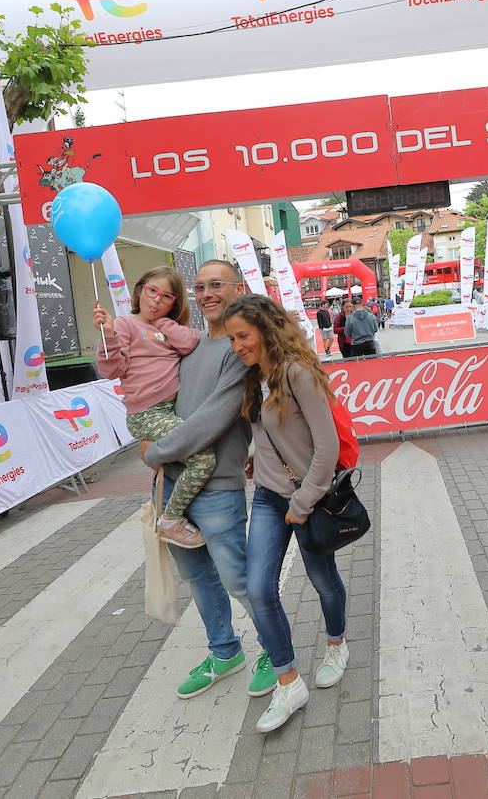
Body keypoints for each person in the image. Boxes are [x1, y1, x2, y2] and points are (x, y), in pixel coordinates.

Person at [139, 261, 276, 700]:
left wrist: (155, 452)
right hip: (174, 487)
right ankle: (224, 652)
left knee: (238, 579)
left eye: (216, 284)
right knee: (199, 578)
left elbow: (213, 418)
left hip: (217, 485)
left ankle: (276, 650)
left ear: (238, 288)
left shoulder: (240, 350)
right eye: (199, 287)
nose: (206, 293)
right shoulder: (189, 346)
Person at [222, 294, 349, 734]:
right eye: (232, 338)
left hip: (307, 499)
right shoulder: (254, 378)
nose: (236, 345)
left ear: (266, 329)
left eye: (243, 336)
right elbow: (271, 430)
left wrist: (302, 502)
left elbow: (327, 447)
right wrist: (259, 454)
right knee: (259, 590)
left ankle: (336, 644)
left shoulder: (297, 372)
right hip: (268, 497)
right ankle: (289, 681)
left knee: (322, 581)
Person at [95, 267, 215, 549]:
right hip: (147, 414)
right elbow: (112, 369)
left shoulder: (167, 328)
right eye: (152, 291)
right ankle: (171, 520)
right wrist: (109, 334)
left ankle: (175, 508)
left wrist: (165, 324)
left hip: (167, 412)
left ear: (175, 303)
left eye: (166, 296)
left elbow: (190, 342)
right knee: (203, 459)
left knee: (185, 460)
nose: (156, 300)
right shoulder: (125, 324)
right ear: (140, 290)